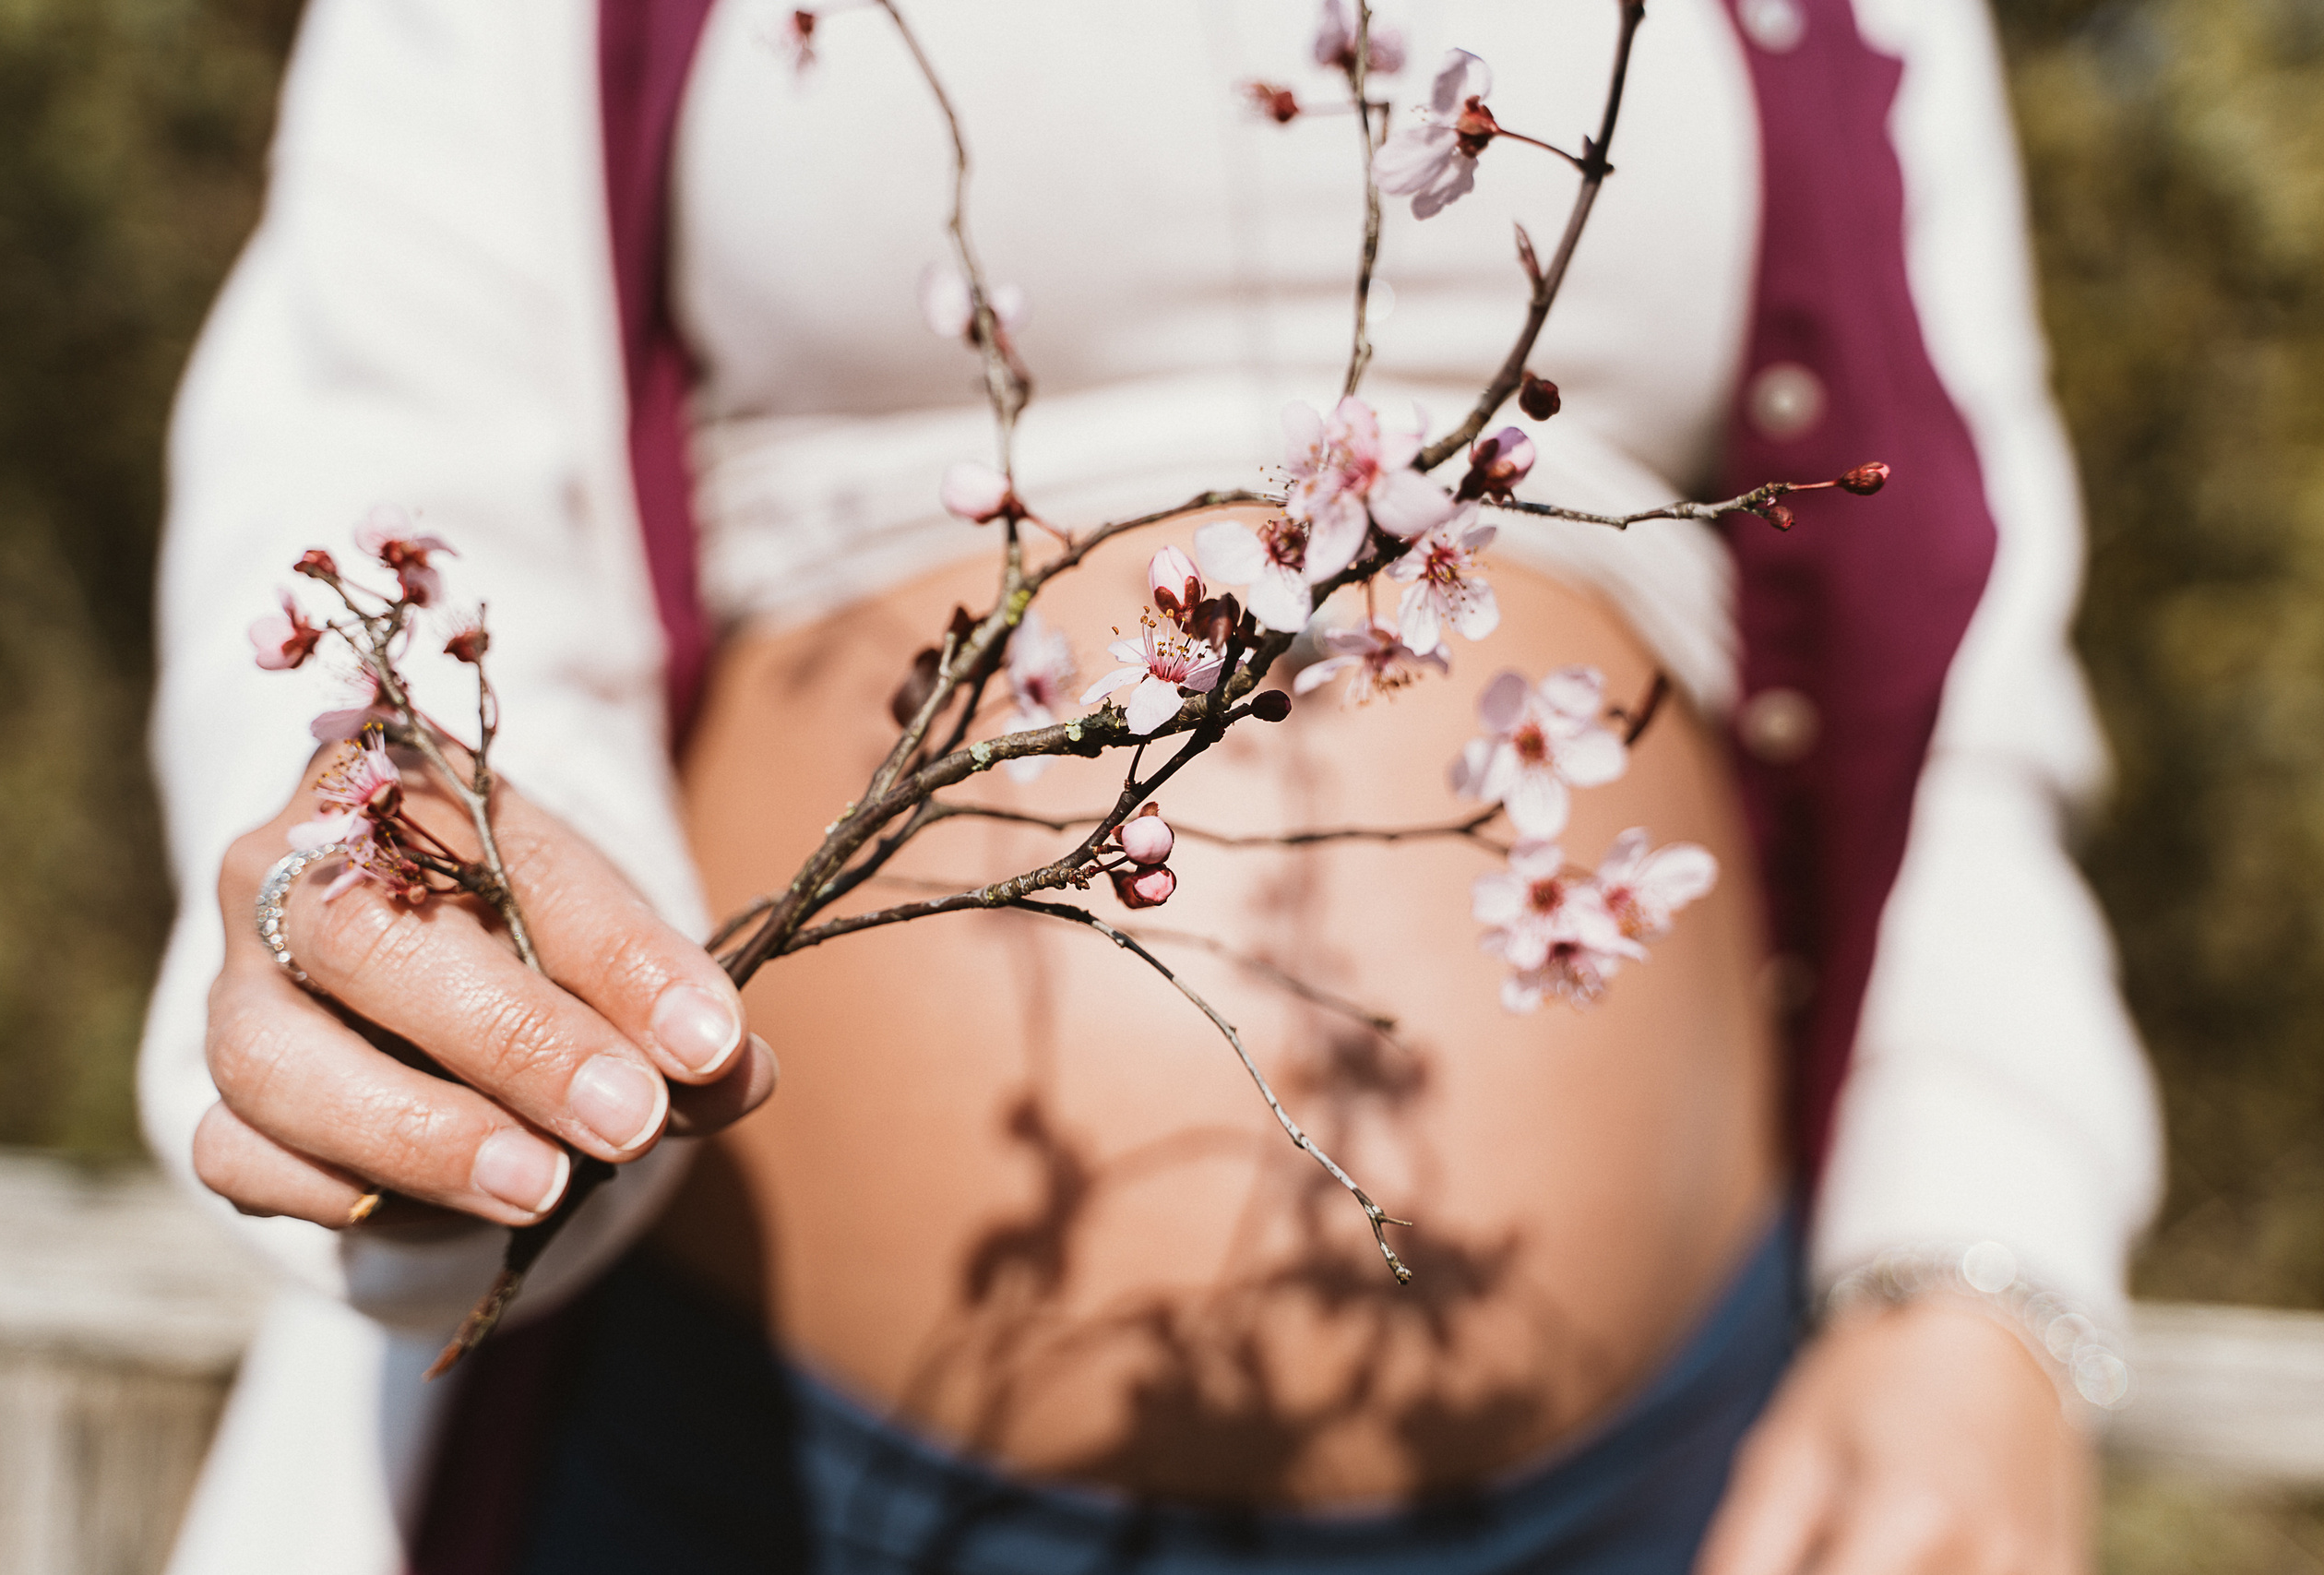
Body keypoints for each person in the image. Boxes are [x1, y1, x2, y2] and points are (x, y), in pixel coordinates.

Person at [141, 0, 2163, 1570]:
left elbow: (1960, 661)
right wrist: (438, 905)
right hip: (745, 1466)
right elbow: (383, 449)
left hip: (1668, 1490)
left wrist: (1970, 1273)